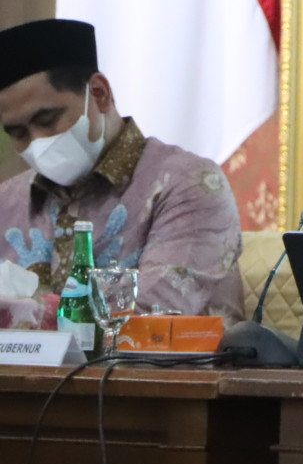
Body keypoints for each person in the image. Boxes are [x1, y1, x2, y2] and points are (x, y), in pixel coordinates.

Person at [0, 19, 244, 320]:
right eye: (18, 133)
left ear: (99, 94)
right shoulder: (7, 202)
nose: (37, 142)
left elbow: (151, 317)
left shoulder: (187, 186)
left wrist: (23, 314)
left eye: (47, 120)